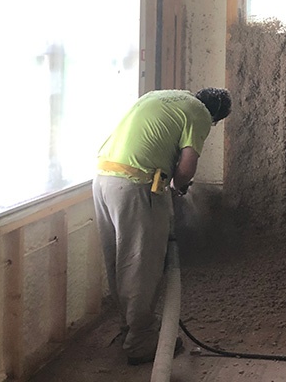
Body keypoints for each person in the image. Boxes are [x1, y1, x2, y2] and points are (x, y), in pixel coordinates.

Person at [92, 87, 232, 365]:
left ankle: (129, 327)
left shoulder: (159, 97)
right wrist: (178, 187)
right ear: (215, 116)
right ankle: (141, 341)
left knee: (118, 258)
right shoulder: (200, 113)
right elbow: (188, 166)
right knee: (141, 263)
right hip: (136, 185)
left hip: (103, 179)